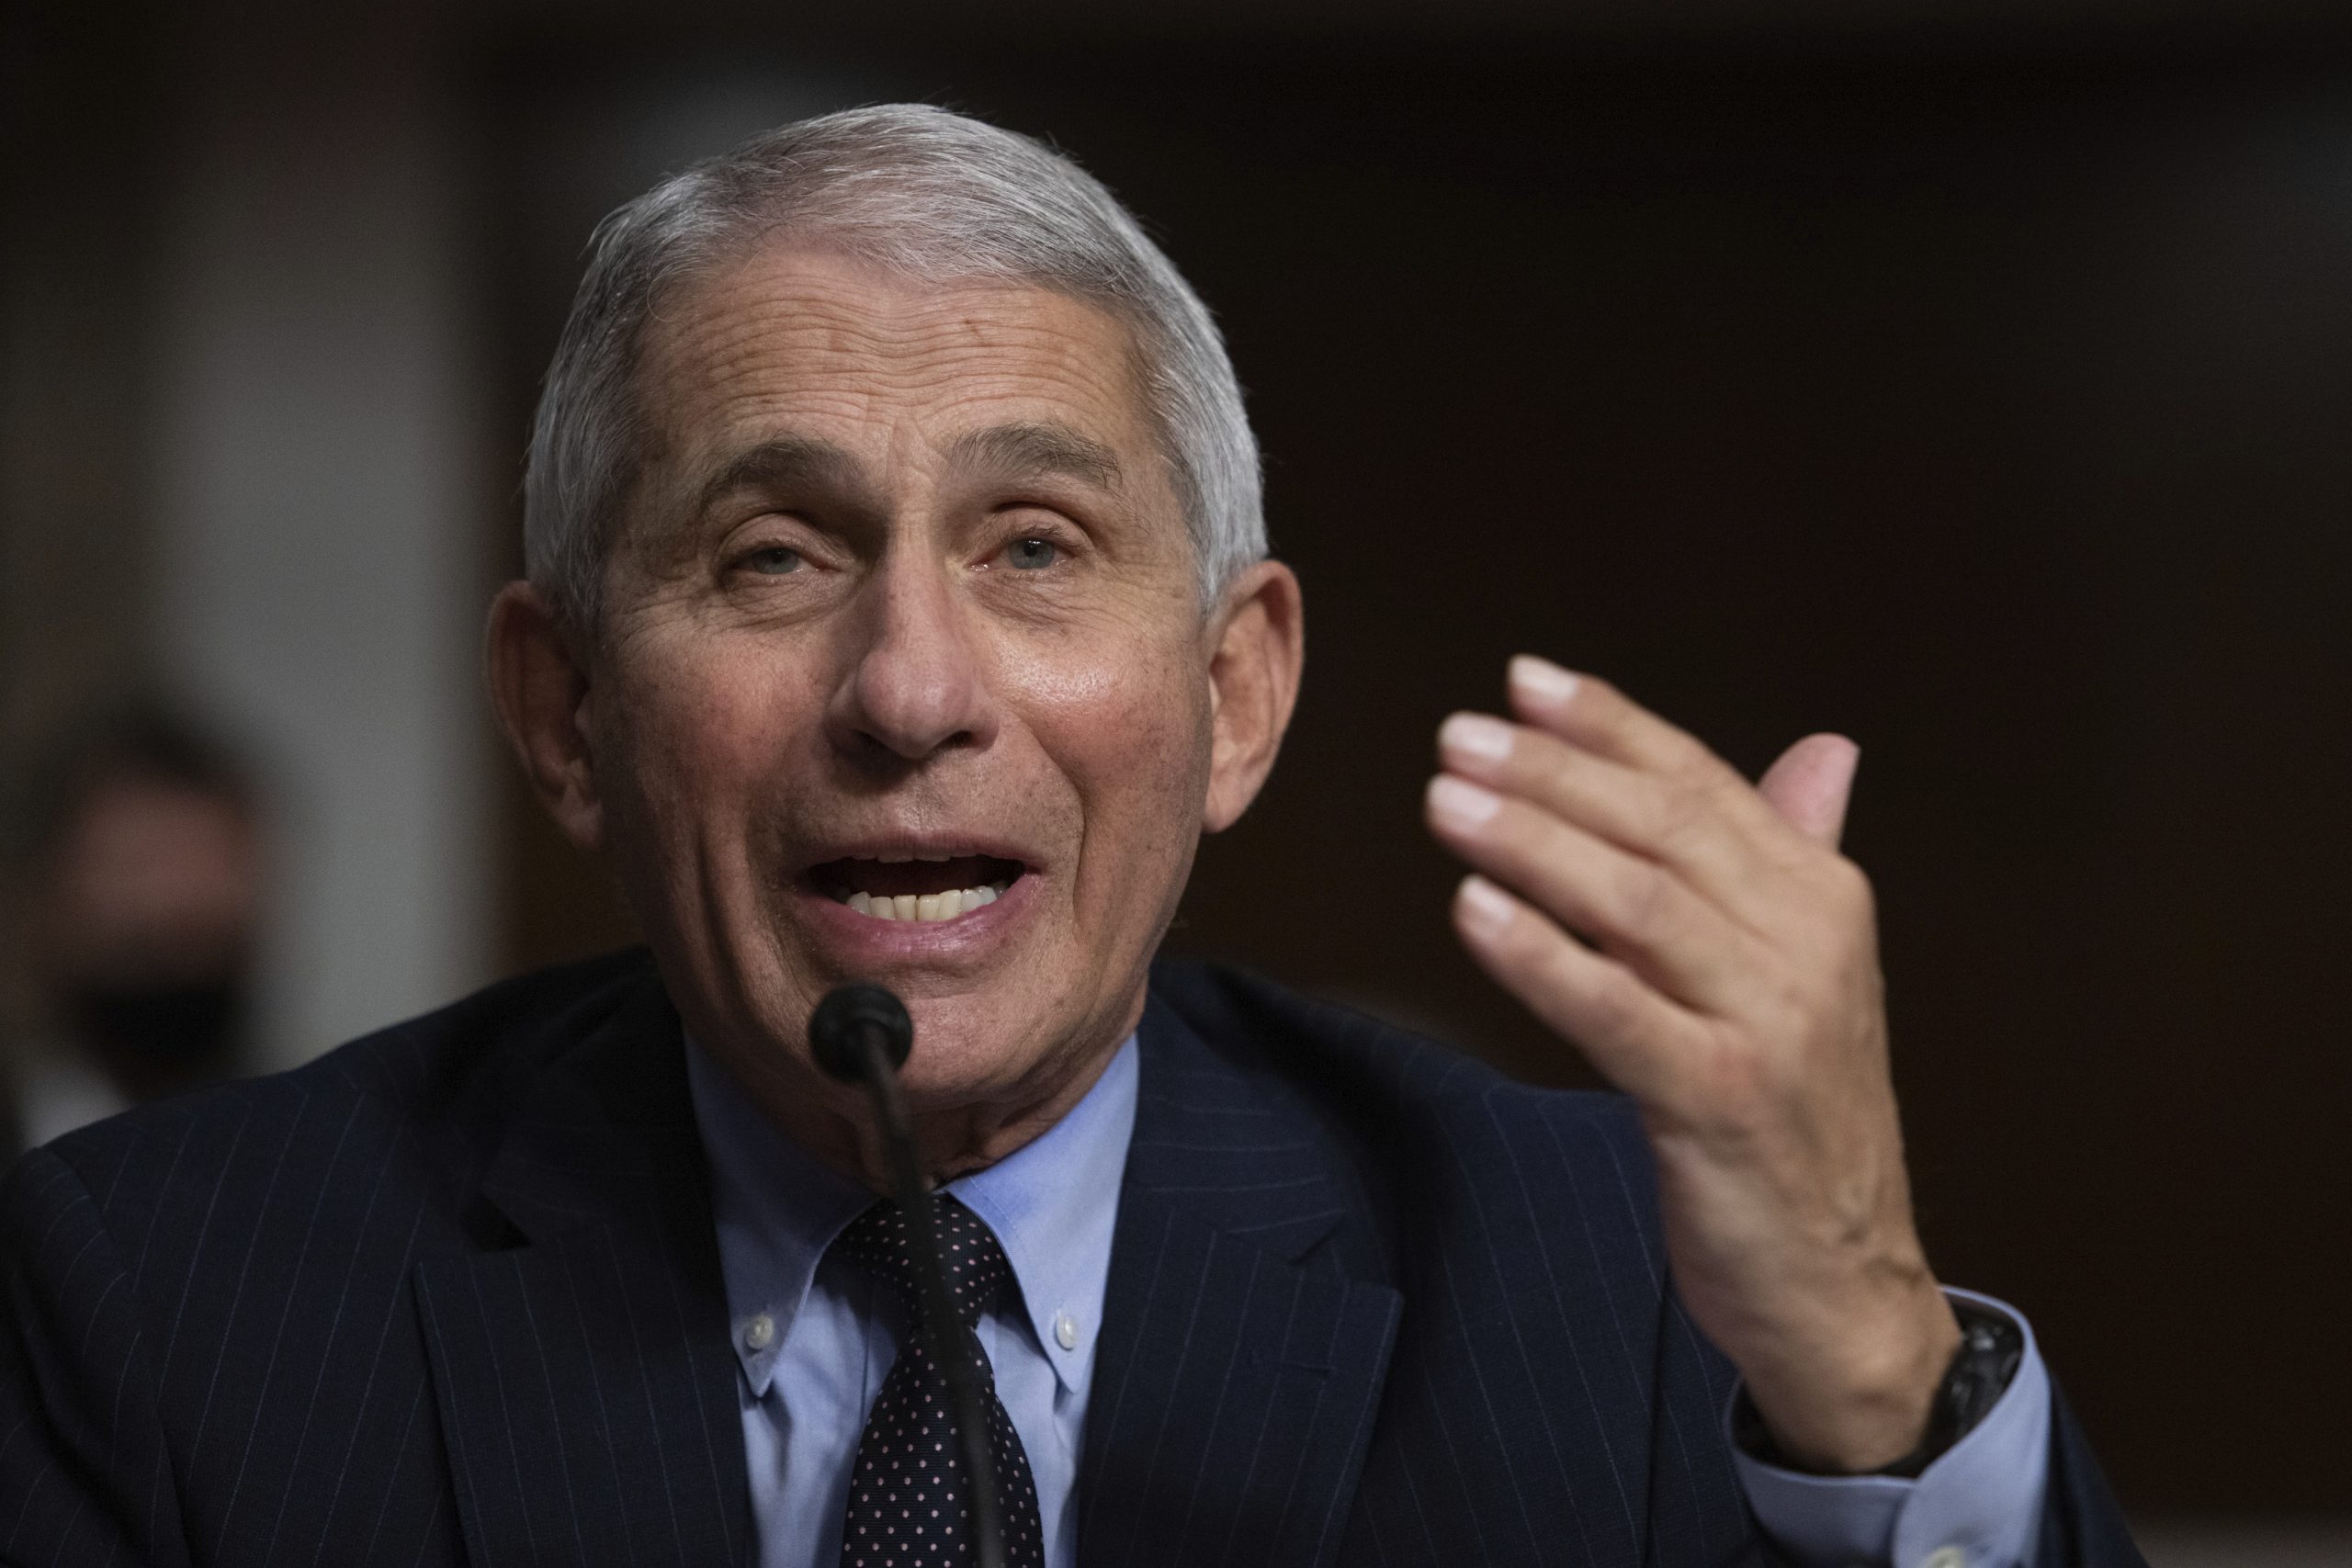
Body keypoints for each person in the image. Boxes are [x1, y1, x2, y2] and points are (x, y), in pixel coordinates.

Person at [0, 107, 2143, 1566]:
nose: (912, 687)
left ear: (1234, 696)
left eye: (1032, 545)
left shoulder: (1613, 1281)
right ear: (566, 712)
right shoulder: (159, 1305)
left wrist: (1871, 1363)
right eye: (772, 554)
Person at [0, 704, 263, 1159]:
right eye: (137, 869)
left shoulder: (299, 1141)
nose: (174, 911)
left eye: (208, 873)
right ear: (43, 894)